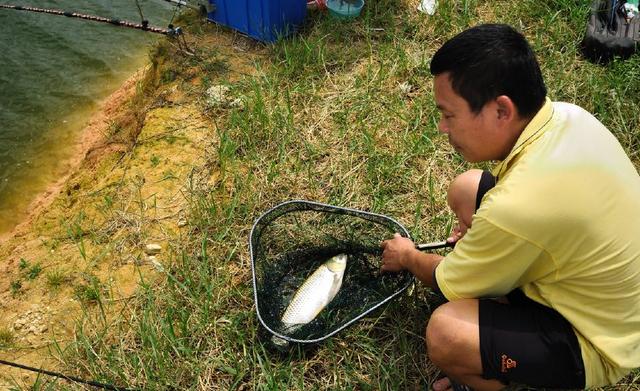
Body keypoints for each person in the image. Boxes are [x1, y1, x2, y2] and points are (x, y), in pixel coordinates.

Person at [380, 23, 640, 390]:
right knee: (466, 188)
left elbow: (446, 282)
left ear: (502, 109)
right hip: (601, 291)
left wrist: (406, 256)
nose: (442, 128)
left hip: (598, 342)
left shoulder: (518, 207)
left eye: (449, 114)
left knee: (446, 333)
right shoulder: (568, 117)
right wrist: (489, 243)